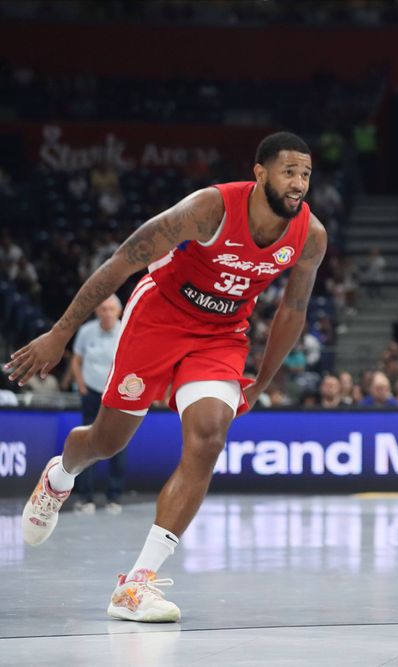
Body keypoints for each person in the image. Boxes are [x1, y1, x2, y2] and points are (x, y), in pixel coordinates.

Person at [7, 132, 327, 623]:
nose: (299, 183)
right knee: (107, 442)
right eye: (289, 171)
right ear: (259, 173)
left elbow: (294, 309)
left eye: (305, 173)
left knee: (208, 437)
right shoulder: (209, 208)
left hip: (221, 335)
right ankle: (59, 476)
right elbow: (123, 261)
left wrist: (260, 381)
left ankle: (138, 584)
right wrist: (60, 333)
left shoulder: (310, 234)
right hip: (158, 318)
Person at [70, 295, 126, 514]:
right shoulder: (86, 332)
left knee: (118, 445)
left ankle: (114, 497)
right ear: (97, 311)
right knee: (87, 443)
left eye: (111, 309)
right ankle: (86, 498)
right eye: (103, 308)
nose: (107, 313)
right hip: (91, 394)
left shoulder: (126, 330)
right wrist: (81, 385)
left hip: (116, 396)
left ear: (119, 312)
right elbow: (76, 359)